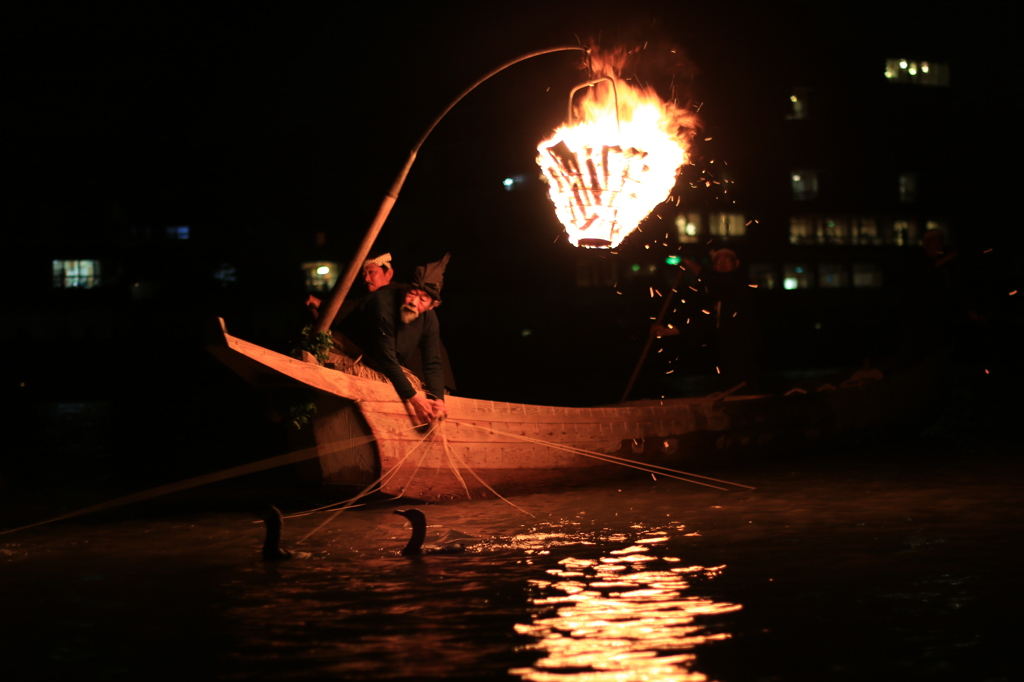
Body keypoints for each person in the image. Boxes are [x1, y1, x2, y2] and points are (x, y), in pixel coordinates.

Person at [347, 254, 450, 424]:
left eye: (423, 299)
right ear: (404, 289)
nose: (414, 302)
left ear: (432, 305)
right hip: (361, 357)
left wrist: (439, 400)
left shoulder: (430, 319)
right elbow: (386, 357)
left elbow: (432, 361)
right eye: (411, 294)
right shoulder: (383, 304)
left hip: (388, 361)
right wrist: (415, 400)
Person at [653, 248, 762, 391]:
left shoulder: (741, 282)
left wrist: (690, 264)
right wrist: (671, 331)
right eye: (717, 262)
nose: (721, 265)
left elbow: (715, 280)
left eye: (726, 261)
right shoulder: (718, 293)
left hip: (748, 353)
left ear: (737, 263)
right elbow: (707, 320)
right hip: (727, 354)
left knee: (747, 394)